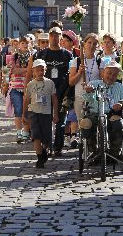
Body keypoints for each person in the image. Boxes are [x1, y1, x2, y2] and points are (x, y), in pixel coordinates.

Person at [27, 26, 72, 156]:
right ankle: (46, 145)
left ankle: (58, 147)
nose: (54, 38)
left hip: (62, 92)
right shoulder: (41, 54)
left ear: (61, 37)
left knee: (61, 121)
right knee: (44, 120)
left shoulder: (67, 55)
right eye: (52, 35)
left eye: (57, 35)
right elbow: (32, 73)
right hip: (44, 92)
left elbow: (71, 74)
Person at [82, 60, 123, 162]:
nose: (111, 76)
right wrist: (88, 91)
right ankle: (94, 152)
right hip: (95, 113)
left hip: (112, 113)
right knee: (86, 123)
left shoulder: (120, 87)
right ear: (103, 72)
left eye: (114, 74)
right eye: (109, 73)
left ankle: (114, 153)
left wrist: (122, 103)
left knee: (118, 123)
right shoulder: (94, 84)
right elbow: (86, 99)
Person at [23, 59, 58, 168]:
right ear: (33, 71)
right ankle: (39, 158)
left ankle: (44, 150)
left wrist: (55, 114)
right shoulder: (30, 85)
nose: (40, 72)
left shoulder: (50, 83)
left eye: (42, 70)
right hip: (34, 113)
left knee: (46, 137)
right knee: (36, 135)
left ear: (45, 70)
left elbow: (54, 99)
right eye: (37, 70)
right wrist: (24, 114)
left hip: (46, 113)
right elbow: (26, 99)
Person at [69, 34, 101, 146]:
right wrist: (79, 73)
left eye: (94, 44)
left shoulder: (99, 61)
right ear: (84, 44)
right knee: (82, 122)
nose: (92, 46)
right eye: (89, 43)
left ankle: (93, 146)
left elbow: (103, 80)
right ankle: (84, 148)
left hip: (94, 97)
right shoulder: (77, 61)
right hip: (80, 96)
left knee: (93, 122)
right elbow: (71, 81)